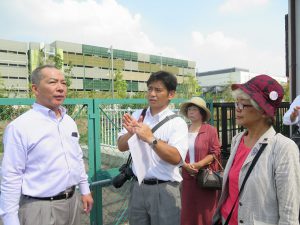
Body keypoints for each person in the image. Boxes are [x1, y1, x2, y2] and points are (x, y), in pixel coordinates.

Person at [0, 65, 93, 225]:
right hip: (39, 208)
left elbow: (77, 158)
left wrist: (85, 190)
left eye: (63, 83)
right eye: (52, 82)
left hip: (72, 201)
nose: (60, 88)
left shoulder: (69, 121)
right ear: (35, 89)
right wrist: (10, 219)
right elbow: (11, 176)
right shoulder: (20, 127)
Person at [212, 74, 300, 225]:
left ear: (263, 111)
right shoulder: (237, 140)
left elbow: (289, 212)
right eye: (236, 104)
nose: (237, 110)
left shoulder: (283, 147)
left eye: (243, 104)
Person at [117, 70, 188, 225]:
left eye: (158, 90)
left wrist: (150, 138)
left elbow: (177, 158)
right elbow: (121, 146)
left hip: (165, 189)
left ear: (171, 94)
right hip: (138, 186)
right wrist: (130, 134)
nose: (152, 94)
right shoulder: (137, 114)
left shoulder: (177, 123)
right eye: (150, 89)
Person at [179, 97, 221, 225]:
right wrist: (185, 166)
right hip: (187, 177)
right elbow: (177, 151)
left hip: (205, 178)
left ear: (202, 112)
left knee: (206, 212)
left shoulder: (210, 130)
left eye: (194, 109)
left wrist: (199, 164)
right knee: (188, 211)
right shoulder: (183, 129)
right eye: (189, 109)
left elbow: (215, 152)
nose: (191, 112)